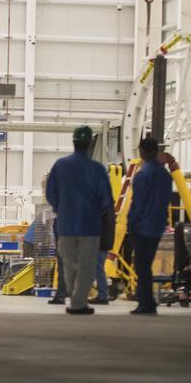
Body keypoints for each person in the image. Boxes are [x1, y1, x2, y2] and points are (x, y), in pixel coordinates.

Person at [45, 125, 113, 315]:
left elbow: (50, 193)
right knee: (87, 265)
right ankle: (78, 302)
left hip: (66, 226)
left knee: (68, 264)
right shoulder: (97, 169)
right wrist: (94, 212)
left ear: (73, 142)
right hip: (90, 226)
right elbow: (106, 199)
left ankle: (74, 298)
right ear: (90, 143)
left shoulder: (60, 166)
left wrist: (63, 209)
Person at [127, 135, 173, 315]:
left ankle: (147, 303)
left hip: (142, 227)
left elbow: (138, 203)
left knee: (142, 266)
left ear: (143, 152)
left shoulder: (143, 175)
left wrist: (132, 220)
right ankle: (146, 300)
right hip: (157, 226)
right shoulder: (165, 176)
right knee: (146, 264)